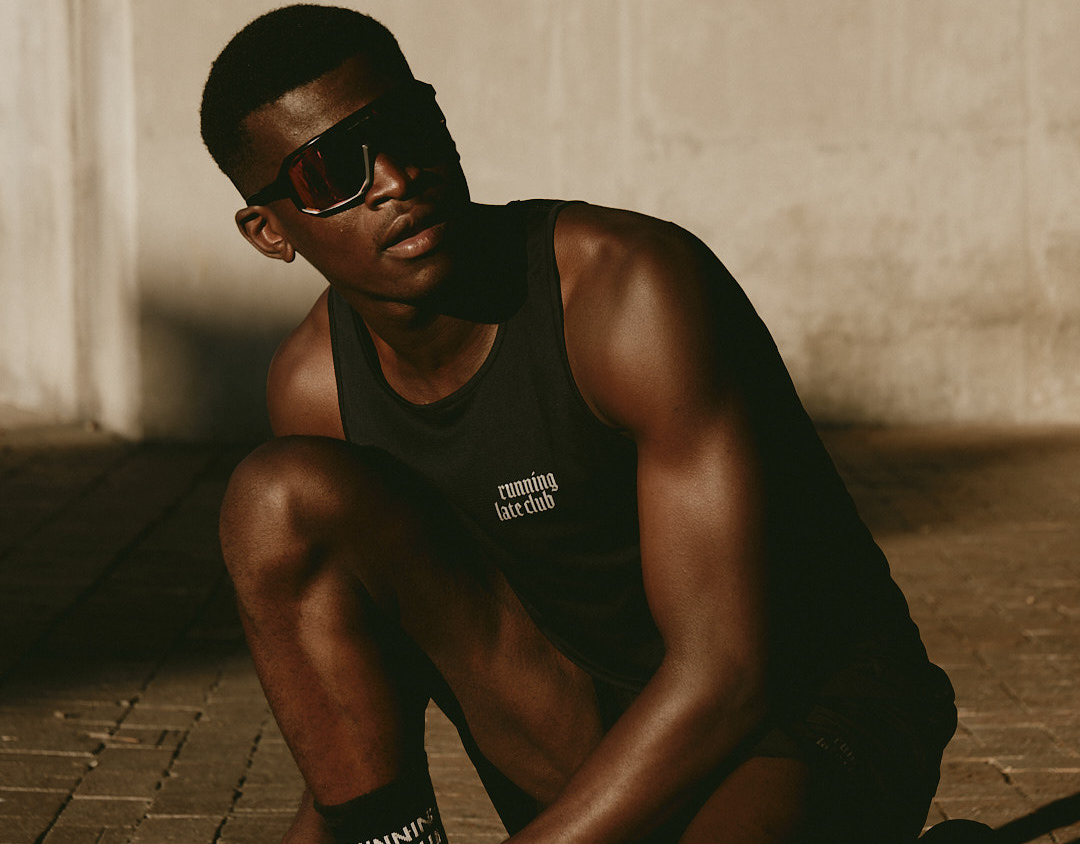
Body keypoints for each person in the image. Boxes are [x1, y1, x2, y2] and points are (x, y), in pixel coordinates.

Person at [200, 6, 957, 843]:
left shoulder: (626, 292)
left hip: (803, 714)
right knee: (274, 497)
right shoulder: (317, 389)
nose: (394, 178)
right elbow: (369, 698)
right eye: (328, 170)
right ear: (269, 231)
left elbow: (728, 675)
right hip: (579, 730)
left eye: (407, 124)